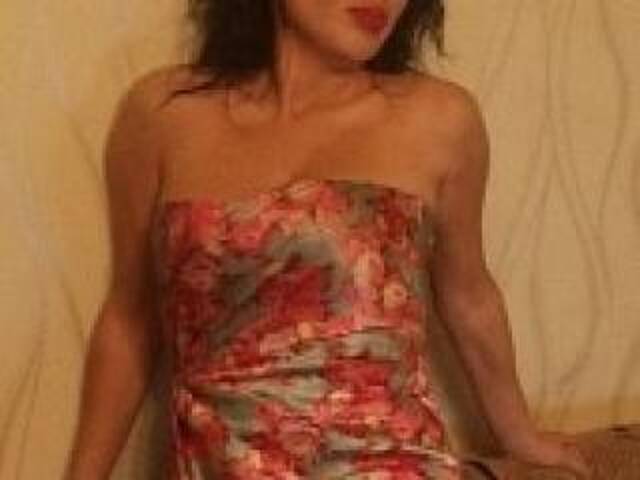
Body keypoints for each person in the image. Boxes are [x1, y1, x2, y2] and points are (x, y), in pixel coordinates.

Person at [64, 1, 593, 479]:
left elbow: (469, 297)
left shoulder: (439, 120)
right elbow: (130, 319)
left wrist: (521, 436)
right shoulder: (163, 117)